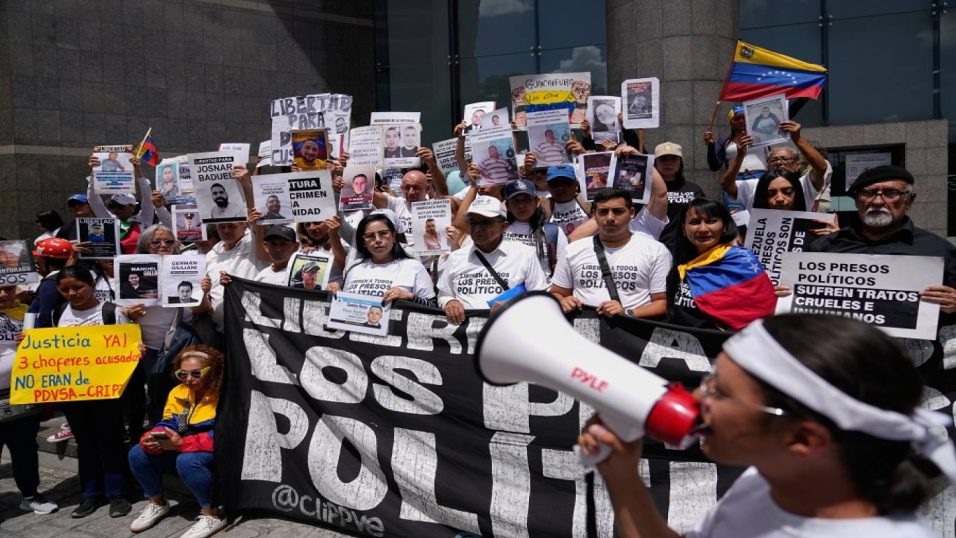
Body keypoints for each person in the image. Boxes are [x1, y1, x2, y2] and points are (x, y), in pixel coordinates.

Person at [579, 313, 954, 538]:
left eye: (719, 392)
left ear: (803, 438)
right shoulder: (764, 482)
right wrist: (621, 475)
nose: (696, 398)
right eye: (708, 382)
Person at [807, 165, 956, 318]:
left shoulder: (937, 250)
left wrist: (953, 304)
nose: (877, 201)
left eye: (891, 193)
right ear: (857, 201)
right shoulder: (824, 247)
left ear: (909, 200)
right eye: (868, 193)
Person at [52, 266, 134, 519]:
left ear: (92, 285)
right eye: (65, 289)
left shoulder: (112, 312)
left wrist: (134, 351)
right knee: (85, 442)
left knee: (110, 439)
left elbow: (126, 348)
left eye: (78, 287)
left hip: (106, 392)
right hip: (73, 392)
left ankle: (118, 493)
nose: (72, 293)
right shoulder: (58, 313)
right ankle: (90, 493)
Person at [127, 345, 225, 537]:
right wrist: (154, 436)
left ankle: (212, 514)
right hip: (183, 443)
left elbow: (224, 436)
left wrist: (182, 444)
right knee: (138, 453)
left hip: (217, 451)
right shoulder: (179, 392)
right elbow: (173, 422)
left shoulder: (224, 396)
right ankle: (157, 503)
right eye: (182, 374)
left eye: (196, 373)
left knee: (187, 460)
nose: (188, 379)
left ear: (212, 371)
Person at [551, 188, 671, 319]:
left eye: (618, 211)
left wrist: (627, 313)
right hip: (582, 328)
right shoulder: (572, 250)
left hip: (631, 329)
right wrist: (564, 301)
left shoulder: (655, 251)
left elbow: (663, 302)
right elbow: (557, 293)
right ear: (594, 214)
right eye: (603, 212)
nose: (610, 218)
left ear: (631, 213)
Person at [667, 198, 777, 329]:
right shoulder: (681, 260)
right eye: (695, 222)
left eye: (711, 221)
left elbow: (761, 310)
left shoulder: (741, 260)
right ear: (684, 228)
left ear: (724, 226)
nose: (703, 229)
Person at [438, 196, 548, 324]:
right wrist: (450, 302)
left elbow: (539, 297)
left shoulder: (524, 254)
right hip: (465, 332)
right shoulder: (456, 257)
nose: (478, 229)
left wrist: (513, 305)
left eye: (486, 223)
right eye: (473, 222)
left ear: (504, 226)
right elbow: (444, 294)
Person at [0, 284, 59, 515]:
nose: (4, 294)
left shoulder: (27, 315)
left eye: (8, 288)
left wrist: (34, 341)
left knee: (24, 448)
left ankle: (30, 496)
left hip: (21, 394)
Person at [722, 120, 831, 213]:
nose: (779, 162)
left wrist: (797, 138)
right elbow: (727, 185)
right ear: (767, 165)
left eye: (785, 159)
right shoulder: (753, 186)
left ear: (797, 165)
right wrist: (740, 155)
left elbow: (821, 168)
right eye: (773, 160)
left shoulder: (804, 184)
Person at [337, 213, 436, 306]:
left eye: (383, 233)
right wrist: (335, 293)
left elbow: (432, 305)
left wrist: (409, 297)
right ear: (363, 242)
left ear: (393, 237)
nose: (377, 240)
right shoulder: (354, 269)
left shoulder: (414, 267)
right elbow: (344, 306)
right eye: (370, 236)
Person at [501, 178, 567, 277]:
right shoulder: (500, 231)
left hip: (544, 286)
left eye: (527, 199)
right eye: (515, 201)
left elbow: (564, 267)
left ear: (537, 201)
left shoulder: (553, 231)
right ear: (507, 205)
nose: (521, 205)